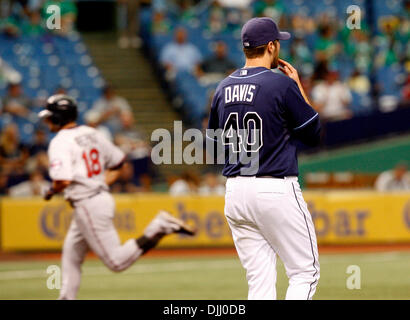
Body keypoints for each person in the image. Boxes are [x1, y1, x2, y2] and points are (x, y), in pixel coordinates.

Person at [38, 94, 195, 300]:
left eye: (50, 116)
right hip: (99, 197)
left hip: (87, 203)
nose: (47, 120)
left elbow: (63, 180)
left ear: (58, 117)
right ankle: (66, 297)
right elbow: (119, 163)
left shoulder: (60, 141)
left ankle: (158, 227)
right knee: (71, 255)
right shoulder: (90, 133)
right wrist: (99, 182)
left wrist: (50, 192)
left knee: (116, 262)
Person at [207, 17, 321, 300]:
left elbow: (213, 143)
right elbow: (313, 134)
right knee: (305, 273)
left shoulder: (222, 88)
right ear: (270, 46)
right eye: (278, 42)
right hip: (274, 187)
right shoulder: (281, 85)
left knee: (259, 282)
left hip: (235, 191)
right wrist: (298, 87)